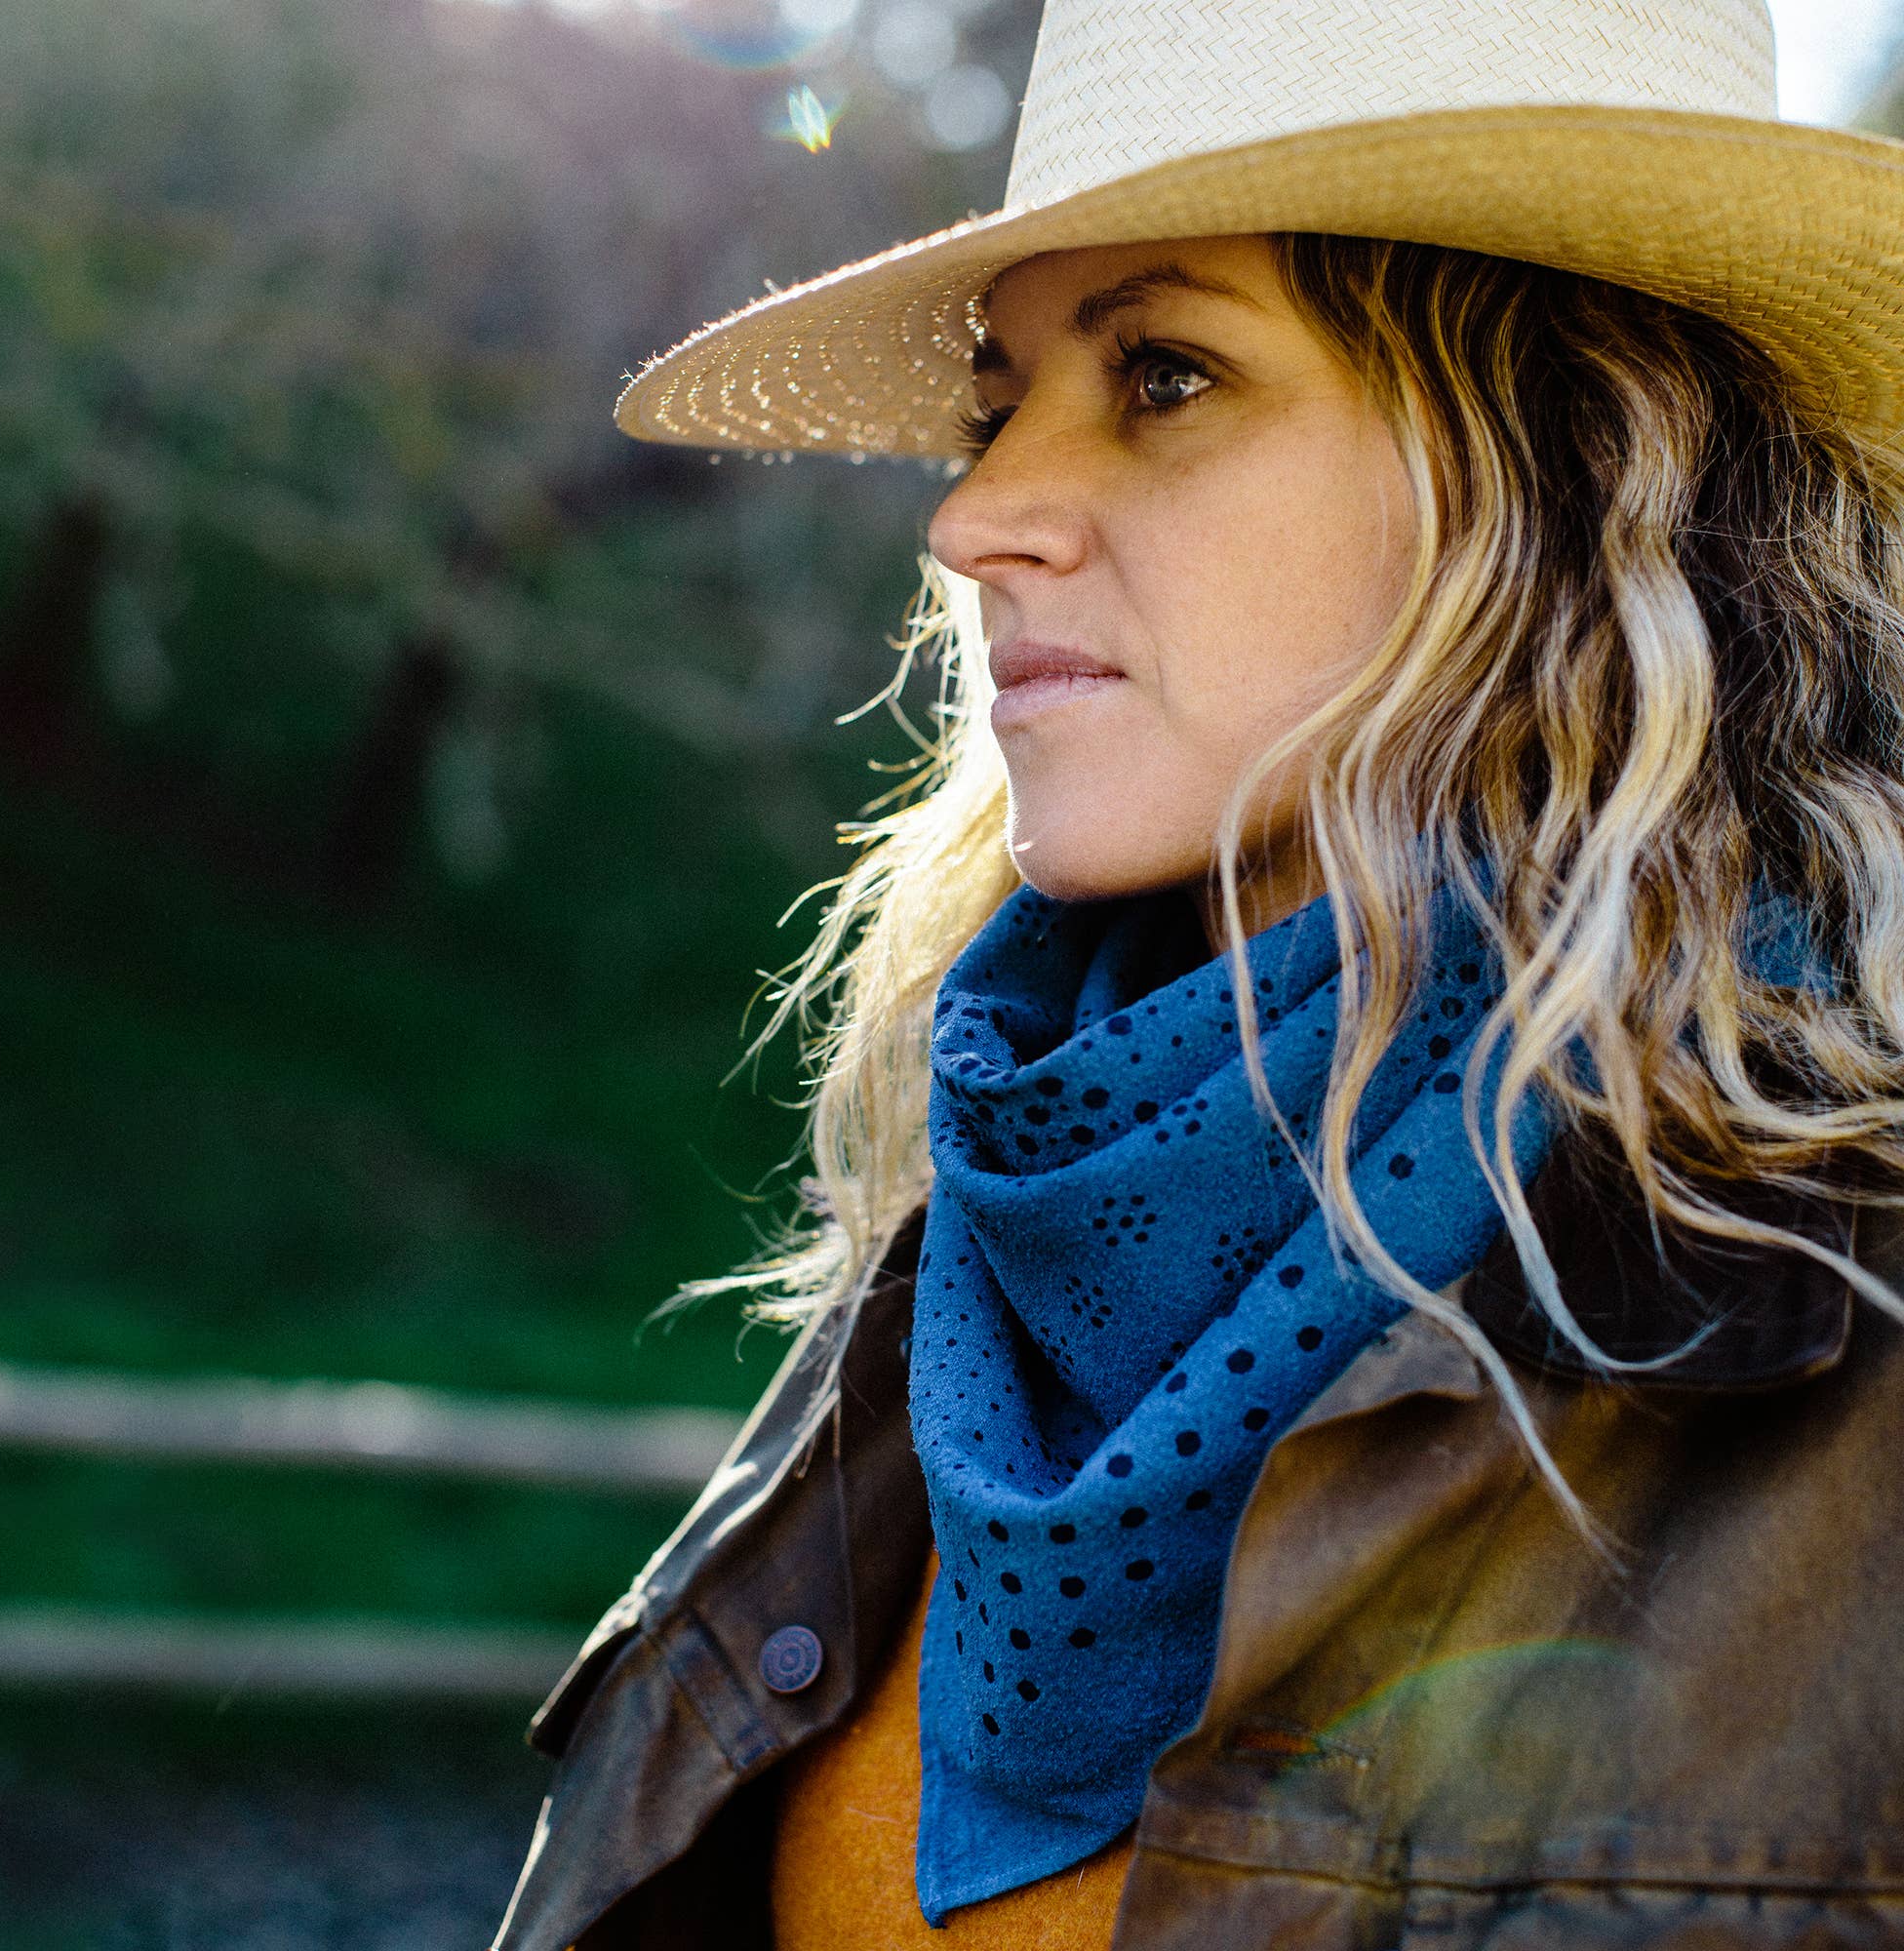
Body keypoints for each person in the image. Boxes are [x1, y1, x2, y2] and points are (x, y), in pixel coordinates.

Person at [494, 2, 1904, 1945]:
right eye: (999, 399)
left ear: (1563, 460)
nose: (976, 515)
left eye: (1162, 370)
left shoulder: (1853, 1362)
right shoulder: (981, 1256)